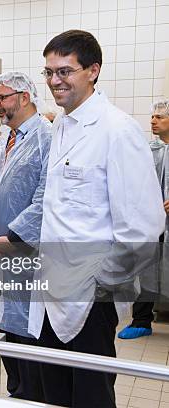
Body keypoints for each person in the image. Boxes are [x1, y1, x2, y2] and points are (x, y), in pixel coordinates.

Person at [28, 30, 164, 407]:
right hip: (52, 288)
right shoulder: (62, 126)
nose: (55, 81)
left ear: (93, 71)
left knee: (90, 396)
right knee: (52, 391)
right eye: (49, 72)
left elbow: (144, 227)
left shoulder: (117, 130)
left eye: (65, 71)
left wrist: (99, 284)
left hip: (91, 299)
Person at [0, 71, 51, 401]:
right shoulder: (1, 141)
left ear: (24, 97)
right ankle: (16, 393)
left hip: (26, 254)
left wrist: (16, 236)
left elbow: (47, 197)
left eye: (3, 97)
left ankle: (32, 396)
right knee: (3, 329)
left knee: (29, 333)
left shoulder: (47, 138)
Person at [117, 99, 169, 339]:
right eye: (152, 117)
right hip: (153, 224)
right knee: (146, 269)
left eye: (159, 117)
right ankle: (141, 320)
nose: (152, 121)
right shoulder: (152, 149)